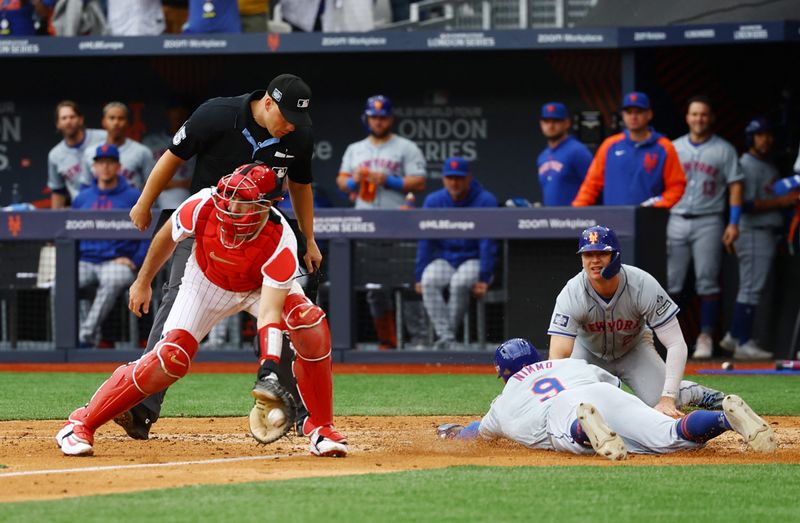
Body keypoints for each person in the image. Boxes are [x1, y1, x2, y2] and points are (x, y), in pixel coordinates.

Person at [56, 163, 347, 457]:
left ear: (269, 205)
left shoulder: (280, 238)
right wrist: (143, 281)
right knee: (169, 359)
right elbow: (166, 238)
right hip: (206, 282)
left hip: (258, 287)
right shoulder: (202, 203)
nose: (233, 206)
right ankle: (81, 423)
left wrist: (268, 367)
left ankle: (321, 427)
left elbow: (270, 312)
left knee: (309, 322)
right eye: (230, 197)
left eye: (244, 201)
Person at [123, 73, 321, 441]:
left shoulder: (298, 135)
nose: (292, 125)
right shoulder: (216, 114)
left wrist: (309, 238)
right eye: (287, 116)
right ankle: (140, 406)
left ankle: (297, 411)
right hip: (206, 228)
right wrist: (144, 202)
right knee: (174, 304)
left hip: (263, 234)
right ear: (267, 103)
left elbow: (300, 186)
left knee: (295, 314)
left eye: (298, 120)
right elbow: (172, 156)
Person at [438, 338, 776, 460]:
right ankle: (725, 418)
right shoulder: (568, 363)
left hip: (563, 410)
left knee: (568, 435)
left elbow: (475, 432)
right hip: (603, 392)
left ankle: (586, 430)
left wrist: (453, 432)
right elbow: (612, 385)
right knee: (673, 437)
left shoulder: (505, 398)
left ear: (505, 373)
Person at [547, 225, 725, 417]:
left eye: (602, 253)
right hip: (588, 353)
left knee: (662, 402)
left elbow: (676, 343)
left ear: (615, 256)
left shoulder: (641, 284)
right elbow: (558, 356)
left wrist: (668, 397)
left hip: (633, 350)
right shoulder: (572, 293)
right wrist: (558, 398)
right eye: (588, 255)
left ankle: (696, 394)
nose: (595, 261)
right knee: (584, 407)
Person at [336, 94, 426, 349]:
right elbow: (342, 182)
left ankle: (418, 338)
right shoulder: (356, 149)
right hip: (365, 224)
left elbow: (418, 181)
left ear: (390, 119)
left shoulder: (406, 147)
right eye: (374, 117)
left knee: (407, 283)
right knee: (374, 287)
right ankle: (388, 339)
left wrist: (386, 179)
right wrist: (356, 180)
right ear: (367, 118)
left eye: (382, 116)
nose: (378, 121)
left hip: (398, 224)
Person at [667, 96, 744, 359]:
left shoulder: (724, 149)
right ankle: (671, 339)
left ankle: (705, 337)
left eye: (703, 114)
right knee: (671, 282)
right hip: (676, 217)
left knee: (708, 282)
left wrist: (733, 221)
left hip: (709, 219)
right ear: (687, 117)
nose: (698, 119)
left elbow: (736, 186)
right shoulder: (673, 147)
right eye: (694, 114)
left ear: (710, 118)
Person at [719, 118, 800, 360]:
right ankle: (742, 341)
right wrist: (781, 202)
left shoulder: (768, 165)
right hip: (752, 231)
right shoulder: (746, 164)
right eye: (759, 135)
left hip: (765, 232)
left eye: (767, 135)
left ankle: (735, 335)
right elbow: (744, 204)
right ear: (751, 138)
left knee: (752, 287)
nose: (765, 139)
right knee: (751, 289)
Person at [414, 157, 498, 349]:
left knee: (459, 282)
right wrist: (418, 275)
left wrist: (485, 277)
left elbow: (488, 242)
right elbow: (425, 241)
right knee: (428, 280)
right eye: (450, 177)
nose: (454, 182)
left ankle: (446, 337)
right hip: (446, 258)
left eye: (459, 178)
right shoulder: (434, 201)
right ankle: (448, 338)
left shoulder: (485, 200)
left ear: (469, 178)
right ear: (443, 179)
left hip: (473, 258)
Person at [73, 144, 149, 347]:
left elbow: (148, 234)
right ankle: (70, 338)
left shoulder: (134, 196)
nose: (105, 167)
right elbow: (70, 233)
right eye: (101, 163)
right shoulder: (82, 198)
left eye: (110, 163)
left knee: (114, 278)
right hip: (86, 261)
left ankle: (85, 337)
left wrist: (135, 261)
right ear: (94, 167)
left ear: (118, 167)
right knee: (60, 283)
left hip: (117, 263)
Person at [572, 91, 686, 208]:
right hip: (613, 218)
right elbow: (591, 184)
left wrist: (658, 204)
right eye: (629, 112)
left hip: (650, 219)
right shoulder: (610, 145)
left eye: (639, 112)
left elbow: (676, 186)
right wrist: (576, 211)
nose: (633, 117)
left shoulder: (664, 147)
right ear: (623, 115)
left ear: (649, 114)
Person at [82, 102, 155, 191]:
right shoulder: (90, 152)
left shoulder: (142, 152)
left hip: (131, 203)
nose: (116, 122)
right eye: (112, 118)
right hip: (98, 204)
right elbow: (85, 185)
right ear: (104, 122)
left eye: (121, 118)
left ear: (127, 123)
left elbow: (152, 185)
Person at [47, 100, 106, 209]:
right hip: (81, 209)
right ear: (58, 124)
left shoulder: (103, 138)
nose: (68, 121)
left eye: (72, 117)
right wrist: (53, 220)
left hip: (111, 204)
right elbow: (58, 191)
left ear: (81, 119)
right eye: (64, 118)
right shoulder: (55, 155)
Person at [141, 101, 195, 209]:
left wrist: (170, 184)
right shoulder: (150, 142)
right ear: (168, 113)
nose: (178, 115)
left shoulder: (195, 142)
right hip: (148, 191)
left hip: (178, 193)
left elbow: (194, 182)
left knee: (177, 194)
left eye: (181, 111)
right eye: (174, 110)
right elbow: (141, 180)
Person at [536, 102, 593, 206]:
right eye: (546, 121)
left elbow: (594, 188)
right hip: (551, 219)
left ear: (567, 123)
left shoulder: (578, 151)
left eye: (556, 121)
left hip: (576, 218)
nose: (550, 126)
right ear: (541, 124)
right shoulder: (542, 156)